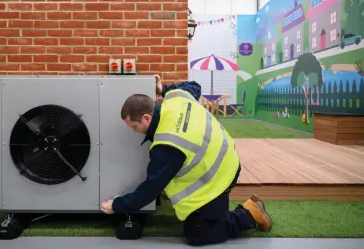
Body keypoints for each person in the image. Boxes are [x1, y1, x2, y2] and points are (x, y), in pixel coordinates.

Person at [100, 75, 272, 246]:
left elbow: (149, 190)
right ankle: (219, 213)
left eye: (134, 127)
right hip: (226, 159)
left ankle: (249, 214)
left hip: (218, 178)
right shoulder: (177, 97)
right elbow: (195, 86)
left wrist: (116, 205)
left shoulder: (167, 144)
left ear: (146, 118)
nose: (134, 132)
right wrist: (163, 88)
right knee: (198, 219)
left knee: (197, 233)